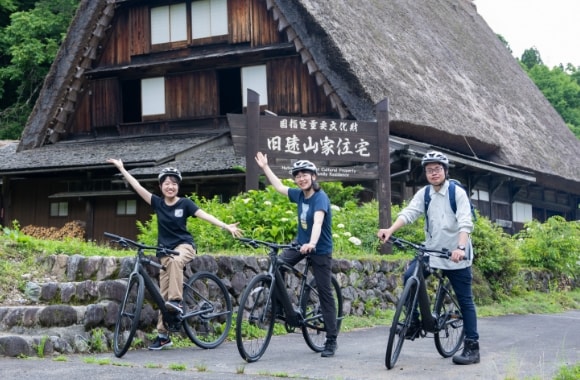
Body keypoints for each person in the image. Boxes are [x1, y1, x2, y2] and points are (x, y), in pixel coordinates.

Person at [107, 159, 243, 350]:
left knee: (175, 264)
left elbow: (205, 215)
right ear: (161, 186)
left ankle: (177, 301)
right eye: (166, 183)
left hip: (183, 247)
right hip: (164, 252)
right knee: (164, 298)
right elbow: (137, 187)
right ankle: (163, 335)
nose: (170, 187)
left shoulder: (185, 204)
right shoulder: (157, 203)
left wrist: (226, 226)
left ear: (178, 186)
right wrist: (122, 169)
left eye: (174, 183)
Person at [376, 151, 480, 365]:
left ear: (445, 171)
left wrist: (460, 247)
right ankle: (413, 322)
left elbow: (465, 223)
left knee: (465, 300)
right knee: (409, 276)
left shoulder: (456, 193)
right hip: (432, 251)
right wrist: (390, 230)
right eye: (429, 170)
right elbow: (409, 213)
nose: (433, 173)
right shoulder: (425, 193)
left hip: (455, 255)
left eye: (437, 169)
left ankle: (472, 347)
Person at [254, 152, 338, 357]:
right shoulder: (300, 195)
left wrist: (312, 243)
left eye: (305, 175)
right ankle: (282, 309)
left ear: (314, 176)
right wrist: (265, 167)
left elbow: (318, 222)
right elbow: (280, 188)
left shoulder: (320, 197)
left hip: (320, 249)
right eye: (298, 175)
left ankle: (331, 339)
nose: (301, 178)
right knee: (277, 265)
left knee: (325, 292)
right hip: (300, 244)